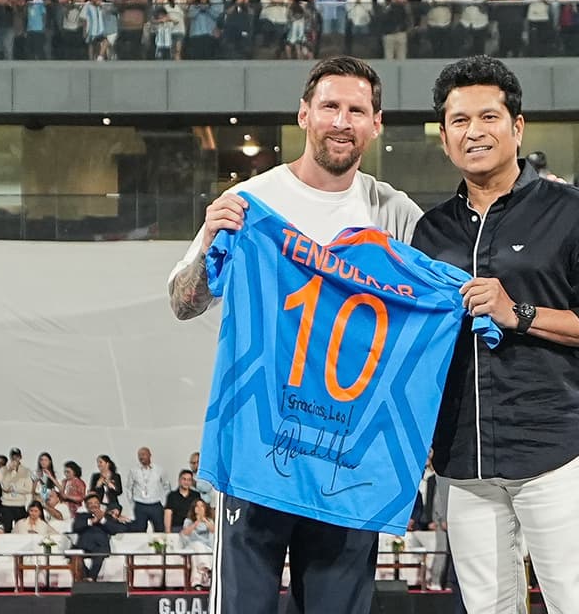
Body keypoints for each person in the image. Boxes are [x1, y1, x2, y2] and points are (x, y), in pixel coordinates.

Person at [167, 56, 423, 614]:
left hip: (347, 456)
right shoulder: (251, 202)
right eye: (330, 106)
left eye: (357, 110)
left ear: (376, 124)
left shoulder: (396, 214)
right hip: (259, 448)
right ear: (304, 114)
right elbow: (183, 303)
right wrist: (210, 239)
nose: (342, 121)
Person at [412, 55, 579, 614]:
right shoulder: (430, 230)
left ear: (517, 126)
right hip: (464, 461)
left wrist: (519, 313)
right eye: (459, 121)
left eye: (488, 117)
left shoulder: (576, 213)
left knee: (577, 605)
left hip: (553, 451)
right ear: (444, 137)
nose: (474, 131)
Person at [72, 494, 124, 581]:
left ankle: (91, 578)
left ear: (99, 504)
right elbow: (76, 527)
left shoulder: (107, 517)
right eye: (90, 503)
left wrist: (102, 520)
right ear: (87, 506)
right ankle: (85, 578)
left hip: (100, 547)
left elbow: (115, 530)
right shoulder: (82, 516)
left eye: (96, 503)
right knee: (73, 554)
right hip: (84, 546)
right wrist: (91, 521)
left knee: (99, 554)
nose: (93, 505)